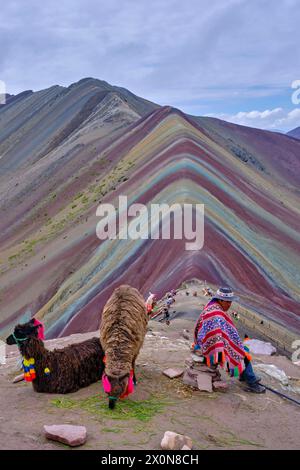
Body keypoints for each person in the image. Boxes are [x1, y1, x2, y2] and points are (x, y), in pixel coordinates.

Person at [194, 287, 265, 394]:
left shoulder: (213, 307)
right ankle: (252, 383)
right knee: (242, 353)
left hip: (207, 344)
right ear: (220, 300)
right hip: (210, 348)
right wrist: (232, 346)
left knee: (240, 348)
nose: (229, 305)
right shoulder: (217, 314)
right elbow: (216, 336)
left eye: (230, 302)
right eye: (227, 302)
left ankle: (243, 375)